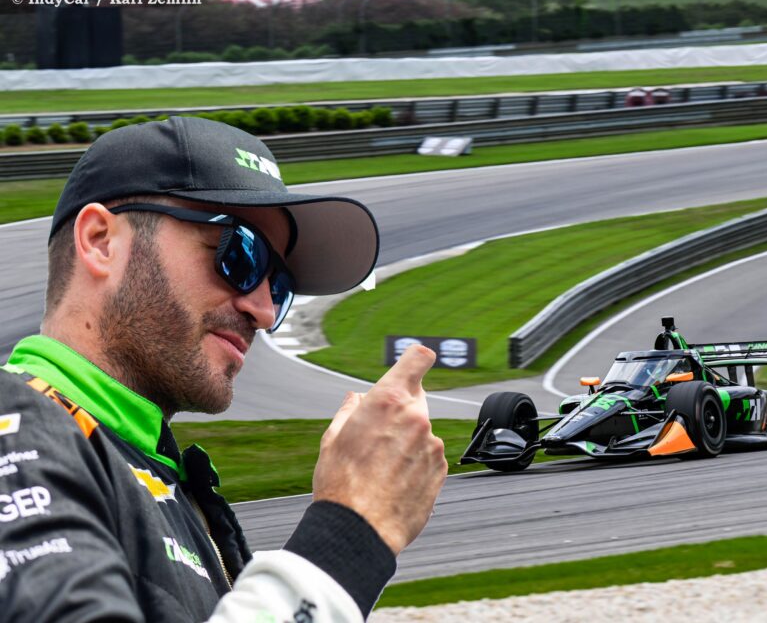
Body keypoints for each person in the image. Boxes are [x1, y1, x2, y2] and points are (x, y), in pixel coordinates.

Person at [0, 117, 448, 622]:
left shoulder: (148, 469)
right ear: (102, 241)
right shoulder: (17, 432)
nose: (261, 309)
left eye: (279, 286)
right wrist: (349, 534)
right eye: (239, 254)